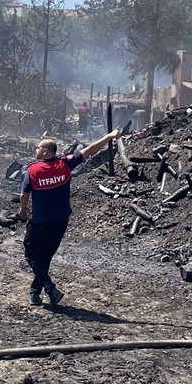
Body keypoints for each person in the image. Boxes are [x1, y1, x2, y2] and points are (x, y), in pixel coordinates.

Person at [17, 127, 121, 307]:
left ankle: (50, 288)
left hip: (40, 222)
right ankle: (35, 294)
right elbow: (90, 150)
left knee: (31, 254)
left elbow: (23, 195)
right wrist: (109, 137)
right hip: (60, 222)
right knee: (45, 258)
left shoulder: (32, 171)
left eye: (37, 148)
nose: (35, 150)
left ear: (45, 151)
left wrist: (23, 212)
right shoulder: (65, 164)